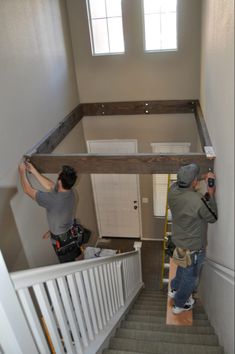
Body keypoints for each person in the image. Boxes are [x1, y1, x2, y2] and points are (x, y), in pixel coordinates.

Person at [167, 163, 218, 314]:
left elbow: (185, 185)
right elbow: (213, 217)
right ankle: (179, 305)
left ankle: (174, 288)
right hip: (193, 248)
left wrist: (200, 178)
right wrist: (211, 192)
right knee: (190, 278)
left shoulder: (172, 190)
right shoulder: (198, 199)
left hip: (178, 242)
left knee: (182, 266)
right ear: (194, 182)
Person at [18, 161, 81, 263]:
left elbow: (27, 190)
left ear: (60, 182)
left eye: (58, 175)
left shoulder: (52, 200)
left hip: (62, 240)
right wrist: (33, 170)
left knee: (67, 262)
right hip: (70, 231)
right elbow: (50, 186)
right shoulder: (71, 191)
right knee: (74, 255)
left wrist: (21, 171)